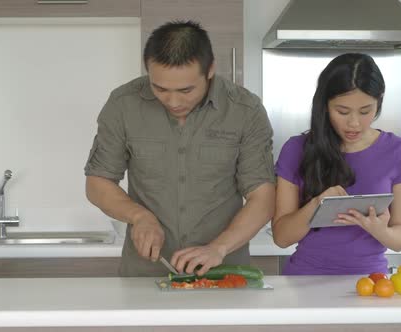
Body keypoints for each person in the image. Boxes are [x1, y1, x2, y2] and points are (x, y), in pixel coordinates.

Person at [84, 21, 275, 277]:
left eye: (186, 90)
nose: (173, 102)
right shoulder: (123, 105)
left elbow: (262, 197)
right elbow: (98, 182)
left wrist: (218, 248)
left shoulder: (245, 111)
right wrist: (139, 217)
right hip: (145, 273)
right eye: (160, 88)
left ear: (210, 70)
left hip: (224, 273)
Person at [272, 53, 401, 275]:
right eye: (342, 111)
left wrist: (380, 230)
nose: (354, 123)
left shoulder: (400, 152)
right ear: (325, 105)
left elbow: (400, 240)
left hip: (370, 284)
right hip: (303, 281)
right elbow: (281, 238)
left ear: (379, 102)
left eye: (365, 111)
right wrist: (317, 204)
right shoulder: (296, 149)